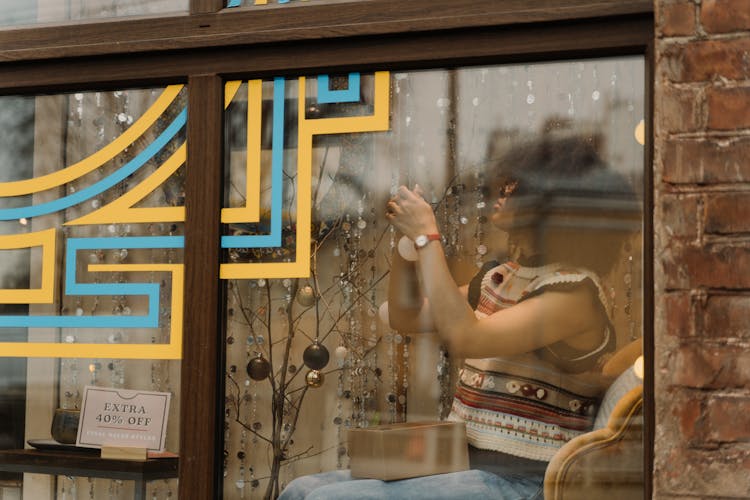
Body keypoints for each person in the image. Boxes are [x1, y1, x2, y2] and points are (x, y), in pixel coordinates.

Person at [279, 132, 639, 500]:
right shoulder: (503, 277)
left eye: (518, 185)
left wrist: (428, 238)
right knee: (300, 490)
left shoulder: (574, 293)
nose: (504, 189)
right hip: (465, 467)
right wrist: (408, 246)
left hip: (526, 483)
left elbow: (466, 337)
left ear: (554, 205)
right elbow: (406, 316)